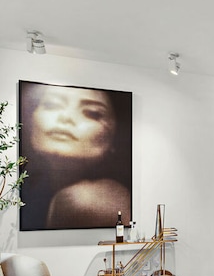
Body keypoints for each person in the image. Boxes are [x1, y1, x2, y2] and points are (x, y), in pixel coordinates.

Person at [19, 81, 132, 230]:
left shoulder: (86, 201)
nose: (66, 117)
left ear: (114, 136)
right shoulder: (28, 187)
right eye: (51, 105)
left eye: (92, 113)